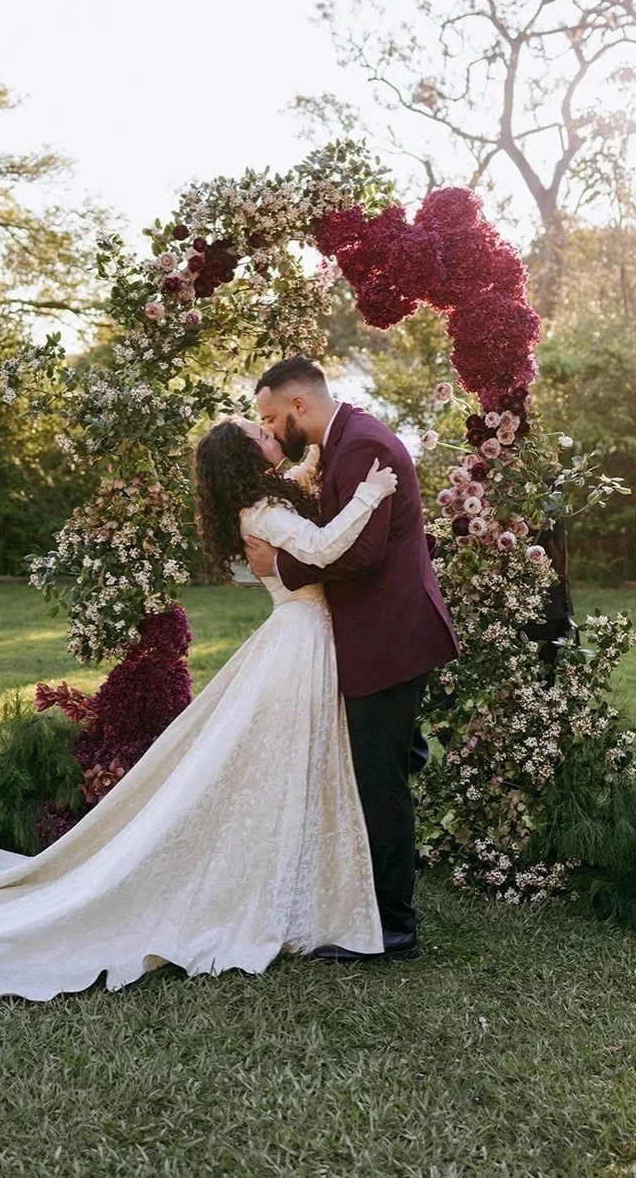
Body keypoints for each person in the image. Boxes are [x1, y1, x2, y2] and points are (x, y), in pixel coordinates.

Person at [0, 418, 399, 1001]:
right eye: (256, 433)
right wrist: (369, 494)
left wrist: (319, 471)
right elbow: (317, 550)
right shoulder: (260, 506)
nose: (268, 432)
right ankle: (279, 896)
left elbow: (302, 526)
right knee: (280, 766)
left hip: (301, 638)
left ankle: (303, 888)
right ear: (241, 459)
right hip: (296, 641)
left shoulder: (262, 498)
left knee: (293, 767)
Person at [245, 357, 460, 961]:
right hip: (377, 633)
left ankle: (394, 930)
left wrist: (279, 568)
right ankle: (369, 903)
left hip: (388, 637)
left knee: (379, 782)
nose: (269, 429)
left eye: (268, 417)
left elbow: (361, 556)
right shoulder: (343, 440)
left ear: (298, 407)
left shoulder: (364, 445)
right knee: (379, 768)